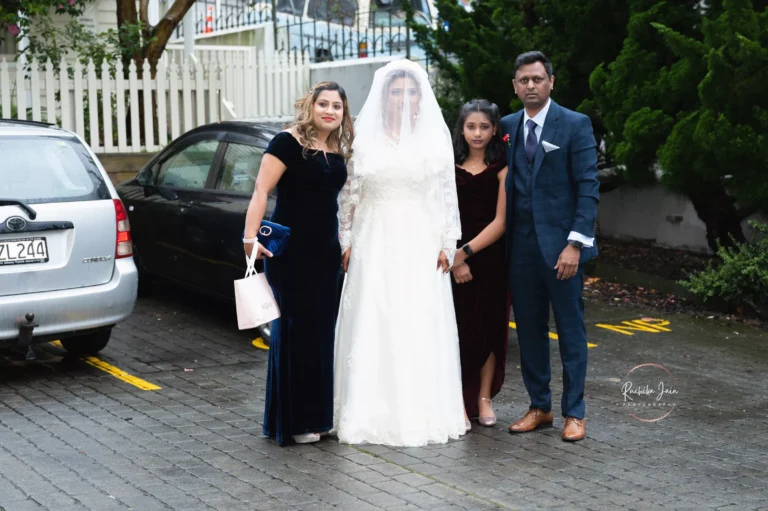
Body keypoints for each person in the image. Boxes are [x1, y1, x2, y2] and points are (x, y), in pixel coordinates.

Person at [333, 59, 467, 446]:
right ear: (384, 97)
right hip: (372, 238)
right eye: (396, 91)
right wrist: (345, 240)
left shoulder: (432, 140)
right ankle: (367, 409)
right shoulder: (363, 140)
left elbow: (446, 197)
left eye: (410, 91)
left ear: (420, 98)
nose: (403, 98)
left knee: (416, 319)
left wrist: (449, 242)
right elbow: (349, 196)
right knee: (374, 317)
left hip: (419, 240)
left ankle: (420, 410)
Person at [243, 82, 354, 446]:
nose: (329, 111)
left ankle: (319, 418)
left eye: (336, 106)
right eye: (323, 104)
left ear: (343, 113)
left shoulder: (339, 146)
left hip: (325, 252)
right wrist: (249, 240)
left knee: (321, 334)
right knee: (294, 332)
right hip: (289, 250)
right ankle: (292, 421)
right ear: (310, 106)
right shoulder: (287, 142)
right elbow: (261, 190)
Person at [501, 51, 599, 442]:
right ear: (514, 85)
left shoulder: (575, 124)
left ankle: (574, 412)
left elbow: (589, 188)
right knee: (528, 330)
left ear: (551, 82)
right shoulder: (507, 126)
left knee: (571, 329)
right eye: (524, 80)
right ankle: (539, 406)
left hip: (562, 250)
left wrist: (575, 243)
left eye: (537, 79)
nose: (530, 86)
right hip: (520, 248)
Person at [450, 99, 510, 429]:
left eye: (484, 127)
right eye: (471, 126)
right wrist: (456, 258)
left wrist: (466, 252)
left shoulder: (502, 169)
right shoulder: (447, 167)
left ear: (495, 130)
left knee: (490, 329)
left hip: (491, 260)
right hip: (452, 261)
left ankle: (483, 397)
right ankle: (458, 399)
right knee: (460, 331)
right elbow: (440, 215)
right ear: (461, 129)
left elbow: (501, 222)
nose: (477, 133)